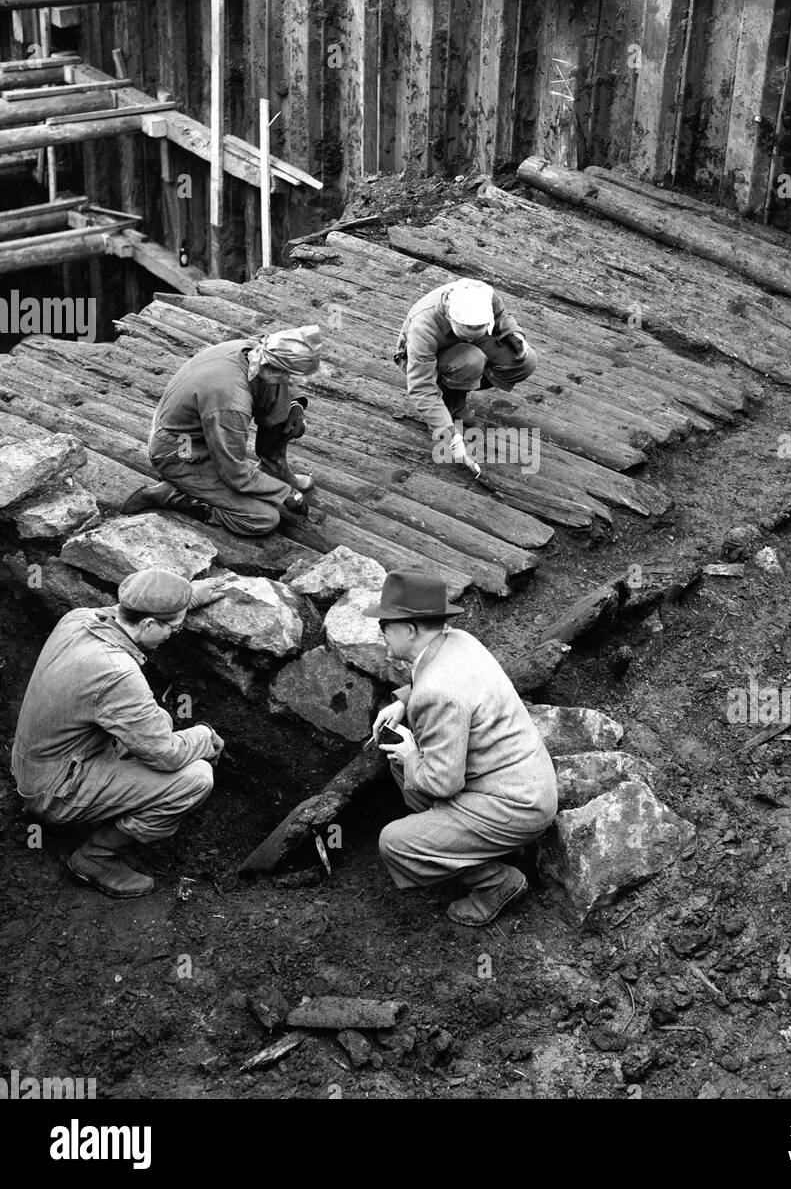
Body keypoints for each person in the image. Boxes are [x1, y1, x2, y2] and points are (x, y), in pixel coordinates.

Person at [11, 568, 229, 899]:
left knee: (160, 720)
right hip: (55, 791)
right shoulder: (116, 673)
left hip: (36, 764)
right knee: (197, 776)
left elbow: (125, 609)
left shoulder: (79, 619)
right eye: (173, 627)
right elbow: (166, 755)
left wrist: (185, 597)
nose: (174, 633)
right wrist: (204, 736)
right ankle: (95, 859)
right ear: (149, 625)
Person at [365, 568, 557, 926]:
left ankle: (497, 883)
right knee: (400, 764)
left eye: (384, 625)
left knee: (395, 843)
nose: (381, 633)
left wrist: (410, 754)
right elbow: (443, 683)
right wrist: (403, 701)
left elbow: (442, 784)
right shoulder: (457, 641)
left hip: (514, 807)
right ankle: (467, 844)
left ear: (409, 629)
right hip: (522, 784)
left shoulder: (438, 692)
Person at [120, 325, 324, 536]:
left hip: (198, 427)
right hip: (181, 450)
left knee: (281, 402)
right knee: (264, 518)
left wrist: (295, 403)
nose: (294, 383)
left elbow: (281, 377)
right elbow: (235, 473)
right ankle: (173, 494)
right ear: (276, 369)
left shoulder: (256, 350)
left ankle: (275, 470)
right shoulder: (230, 401)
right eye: (293, 379)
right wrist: (286, 494)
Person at [393, 279, 536, 472]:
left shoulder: (482, 295)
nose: (471, 339)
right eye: (466, 334)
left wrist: (512, 332)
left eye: (478, 332)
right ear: (451, 319)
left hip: (464, 352)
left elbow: (501, 313)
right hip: (422, 361)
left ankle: (460, 385)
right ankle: (451, 406)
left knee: (525, 362)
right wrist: (450, 438)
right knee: (470, 360)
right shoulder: (423, 327)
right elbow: (421, 388)